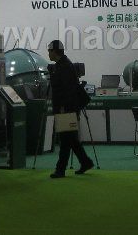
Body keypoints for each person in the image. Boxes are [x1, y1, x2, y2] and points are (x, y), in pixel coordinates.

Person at [47, 40, 94, 179]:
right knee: (71, 138)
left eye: (49, 51)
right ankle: (85, 162)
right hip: (68, 107)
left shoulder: (64, 67)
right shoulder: (63, 65)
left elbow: (67, 90)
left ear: (55, 51)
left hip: (66, 108)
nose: (48, 54)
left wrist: (62, 108)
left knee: (65, 139)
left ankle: (60, 169)